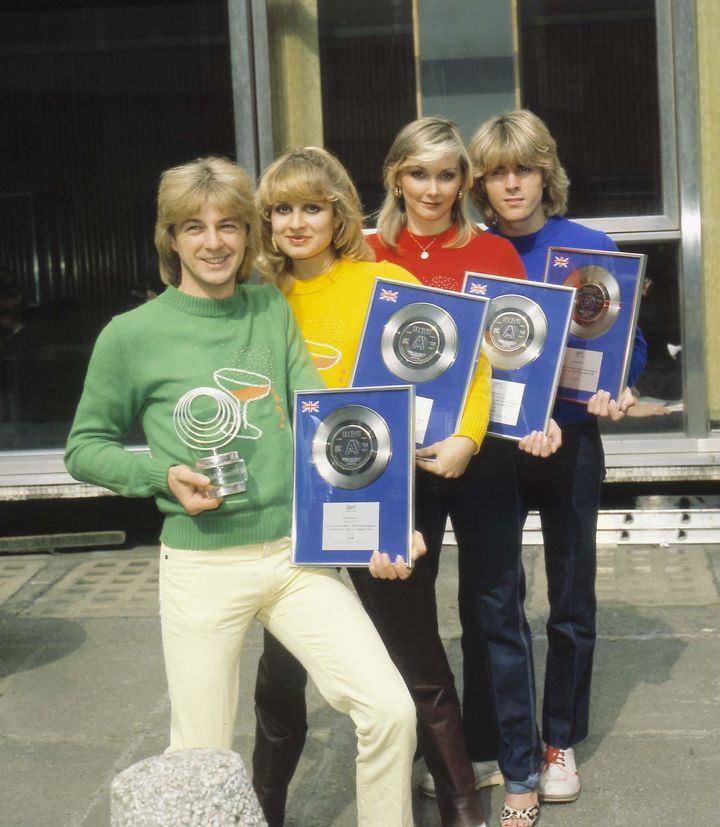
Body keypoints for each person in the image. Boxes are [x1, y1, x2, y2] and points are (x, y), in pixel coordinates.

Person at [64, 155, 419, 827]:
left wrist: (382, 519)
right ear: (170, 238)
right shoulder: (131, 335)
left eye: (230, 224)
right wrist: (158, 476)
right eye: (194, 226)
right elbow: (85, 447)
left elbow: (322, 413)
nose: (215, 240)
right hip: (201, 566)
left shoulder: (267, 307)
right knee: (198, 757)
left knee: (390, 708)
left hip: (294, 554)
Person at [252, 145, 492, 827]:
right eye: (280, 210)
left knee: (417, 660)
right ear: (267, 222)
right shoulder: (259, 300)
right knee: (280, 673)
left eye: (311, 207)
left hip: (377, 501)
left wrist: (467, 438)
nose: (296, 223)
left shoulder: (380, 283)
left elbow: (468, 367)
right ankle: (260, 805)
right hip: (292, 511)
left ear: (339, 214)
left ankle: (463, 808)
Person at [369, 115, 564, 827]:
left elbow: (513, 359)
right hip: (399, 463)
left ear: (463, 181)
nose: (432, 188)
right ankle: (445, 759)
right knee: (406, 618)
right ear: (397, 176)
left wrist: (513, 423)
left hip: (479, 459)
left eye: (446, 174)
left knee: (495, 612)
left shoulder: (491, 251)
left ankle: (519, 769)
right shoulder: (365, 251)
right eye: (418, 173)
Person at [467, 109, 647, 819]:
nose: (512, 184)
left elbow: (625, 340)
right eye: (497, 172)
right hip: (496, 449)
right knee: (491, 597)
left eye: (525, 168)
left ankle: (558, 741)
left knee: (572, 599)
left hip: (571, 441)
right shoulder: (476, 251)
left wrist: (622, 383)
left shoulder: (589, 244)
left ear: (547, 171)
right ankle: (491, 738)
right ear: (481, 183)